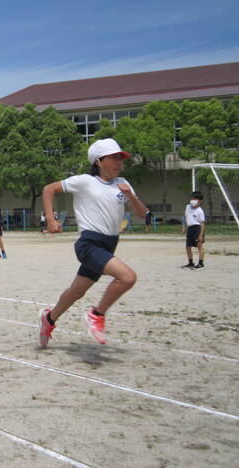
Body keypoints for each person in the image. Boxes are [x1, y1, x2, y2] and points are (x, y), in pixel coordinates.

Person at [39, 138, 148, 347]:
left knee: (76, 292)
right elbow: (48, 189)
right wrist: (51, 219)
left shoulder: (122, 184)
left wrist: (130, 197)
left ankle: (49, 318)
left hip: (109, 244)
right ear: (99, 161)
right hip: (89, 244)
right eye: (114, 158)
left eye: (120, 158)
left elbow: (142, 214)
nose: (119, 163)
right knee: (127, 277)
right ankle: (97, 315)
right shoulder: (85, 182)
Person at [182, 191, 206, 269]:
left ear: (200, 201)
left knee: (199, 246)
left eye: (195, 199)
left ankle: (201, 263)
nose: (193, 200)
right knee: (188, 246)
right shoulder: (187, 207)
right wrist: (184, 227)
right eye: (192, 198)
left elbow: (202, 223)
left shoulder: (200, 210)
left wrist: (201, 234)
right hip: (190, 228)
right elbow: (186, 217)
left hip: (197, 228)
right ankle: (190, 262)